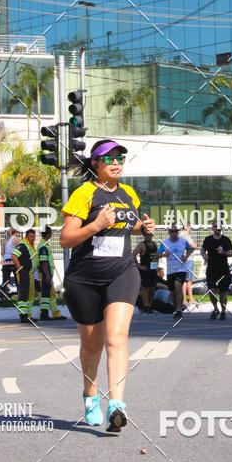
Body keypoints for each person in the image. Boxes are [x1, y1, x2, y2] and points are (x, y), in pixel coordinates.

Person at [60, 138, 155, 433]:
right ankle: (90, 397)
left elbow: (129, 225)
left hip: (121, 272)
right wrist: (95, 225)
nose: (116, 163)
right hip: (84, 279)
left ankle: (117, 405)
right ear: (95, 164)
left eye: (120, 158)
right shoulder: (84, 193)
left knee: (116, 337)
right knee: (92, 345)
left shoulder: (128, 194)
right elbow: (66, 239)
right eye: (109, 159)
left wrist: (143, 227)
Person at [157, 225, 195, 320]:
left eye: (176, 231)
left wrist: (186, 256)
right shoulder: (165, 243)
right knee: (173, 291)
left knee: (178, 285)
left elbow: (191, 248)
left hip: (181, 269)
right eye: (172, 231)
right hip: (170, 270)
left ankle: (179, 309)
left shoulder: (183, 241)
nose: (174, 233)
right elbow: (156, 253)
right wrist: (164, 255)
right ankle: (175, 308)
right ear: (169, 232)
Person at [201, 221, 232, 320]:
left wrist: (223, 252)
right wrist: (204, 255)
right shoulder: (208, 239)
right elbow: (202, 250)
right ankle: (215, 308)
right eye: (215, 226)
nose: (217, 228)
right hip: (211, 268)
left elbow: (231, 253)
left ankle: (223, 311)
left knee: (222, 292)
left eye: (219, 226)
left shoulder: (226, 240)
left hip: (223, 269)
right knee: (211, 289)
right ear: (212, 228)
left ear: (221, 228)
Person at [37, 227, 66, 320]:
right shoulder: (43, 246)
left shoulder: (44, 244)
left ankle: (54, 313)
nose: (52, 235)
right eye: (51, 233)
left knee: (50, 294)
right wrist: (47, 276)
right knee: (45, 294)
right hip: (45, 274)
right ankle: (44, 314)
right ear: (48, 234)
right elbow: (44, 262)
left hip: (46, 273)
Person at [12, 229, 38, 324]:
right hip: (23, 273)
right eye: (31, 236)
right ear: (26, 236)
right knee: (23, 295)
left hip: (29, 273)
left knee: (27, 295)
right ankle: (23, 316)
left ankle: (27, 316)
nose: (33, 238)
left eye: (34, 237)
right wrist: (19, 267)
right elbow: (14, 255)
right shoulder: (23, 245)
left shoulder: (30, 245)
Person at [133, 228, 159, 314]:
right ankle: (146, 307)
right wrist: (139, 266)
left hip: (153, 269)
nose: (148, 236)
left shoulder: (154, 244)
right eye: (146, 235)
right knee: (146, 289)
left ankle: (150, 306)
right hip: (145, 270)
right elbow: (134, 254)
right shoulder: (142, 245)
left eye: (149, 234)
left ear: (152, 235)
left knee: (153, 288)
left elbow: (156, 255)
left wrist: (157, 266)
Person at [180, 223, 197, 309]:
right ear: (188, 227)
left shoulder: (180, 235)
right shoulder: (185, 235)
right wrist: (195, 243)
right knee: (188, 281)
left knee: (185, 280)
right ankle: (188, 299)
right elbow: (194, 246)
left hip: (183, 259)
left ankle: (187, 299)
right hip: (188, 259)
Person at [1, 228, 20, 298]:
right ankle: (20, 296)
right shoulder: (17, 240)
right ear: (15, 232)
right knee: (18, 279)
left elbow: (2, 253)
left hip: (6, 261)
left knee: (5, 280)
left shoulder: (5, 241)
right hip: (14, 260)